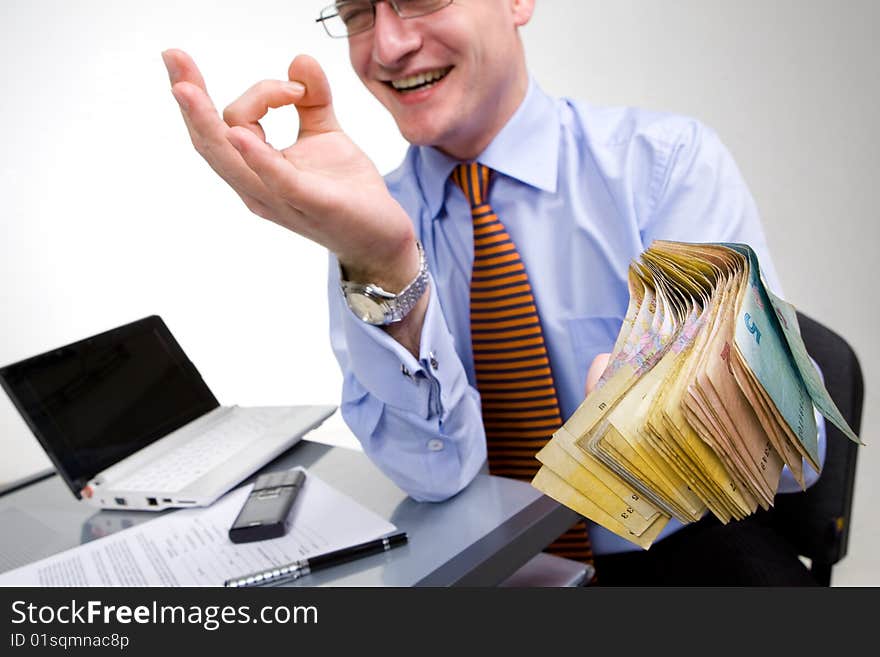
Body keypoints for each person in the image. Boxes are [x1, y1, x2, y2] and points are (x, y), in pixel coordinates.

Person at [161, 0, 825, 585]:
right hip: (490, 569)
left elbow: (790, 448)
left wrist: (682, 416)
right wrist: (383, 263)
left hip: (681, 548)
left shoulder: (665, 165)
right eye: (358, 10)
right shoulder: (367, 217)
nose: (387, 46)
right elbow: (436, 478)